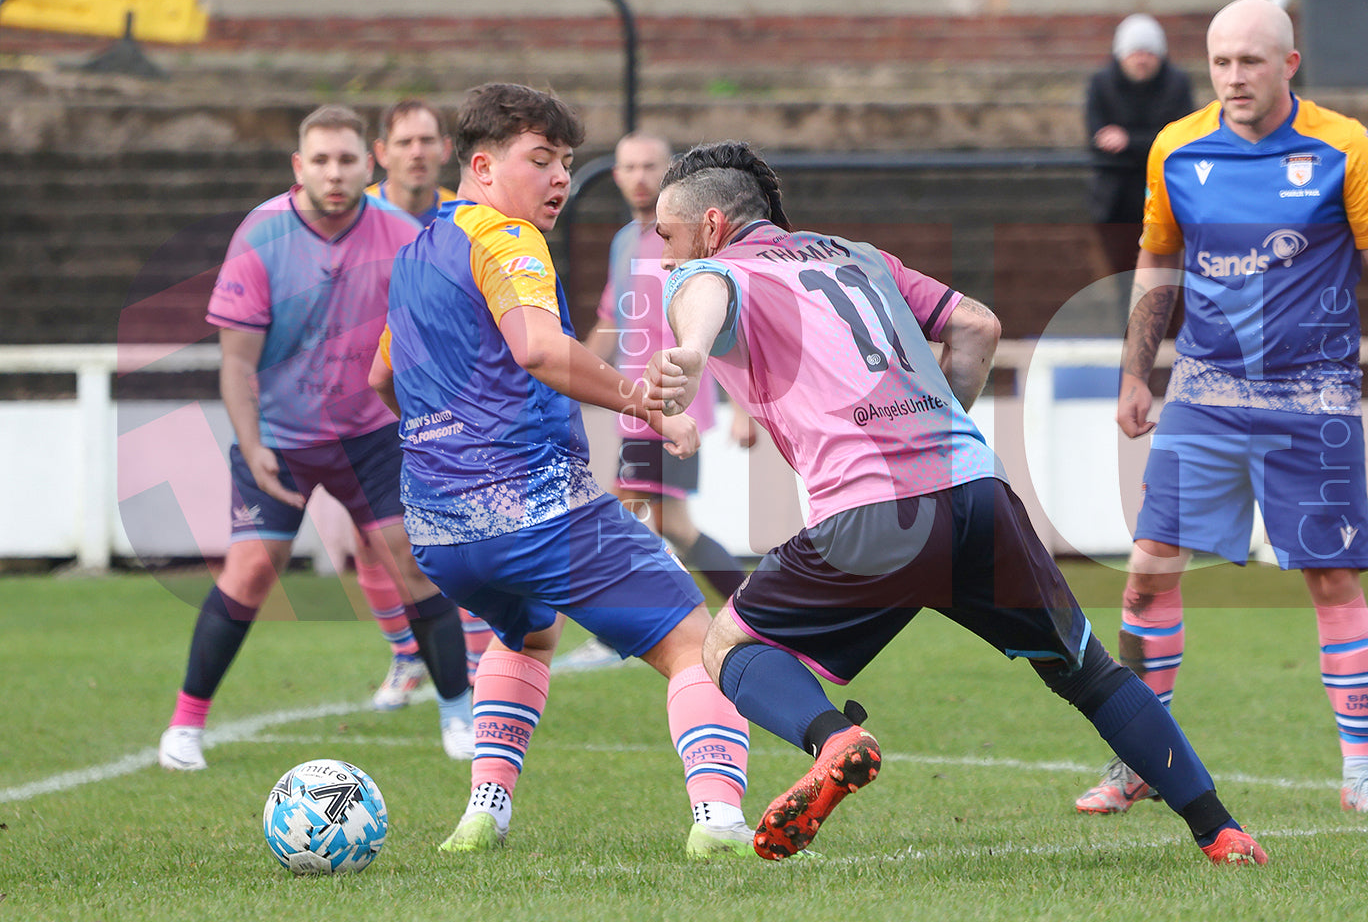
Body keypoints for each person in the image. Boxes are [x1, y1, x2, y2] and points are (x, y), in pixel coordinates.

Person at [645, 141, 1266, 866]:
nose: (664, 256)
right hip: (977, 492)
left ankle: (834, 739)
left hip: (870, 513)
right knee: (1089, 671)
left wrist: (689, 351)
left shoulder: (710, 271)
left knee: (729, 647)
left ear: (713, 225)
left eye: (668, 237)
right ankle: (1221, 830)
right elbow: (978, 325)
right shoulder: (860, 256)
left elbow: (703, 293)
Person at [367, 83, 758, 860]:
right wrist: (645, 403)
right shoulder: (507, 239)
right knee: (699, 642)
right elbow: (539, 350)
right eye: (539, 159)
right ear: (481, 164)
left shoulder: (416, 250)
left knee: (529, 633)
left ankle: (485, 811)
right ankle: (718, 821)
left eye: (566, 163)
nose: (557, 179)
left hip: (440, 528)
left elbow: (381, 380)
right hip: (532, 506)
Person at [1073, 0, 1368, 817]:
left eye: (1251, 61)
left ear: (1289, 65)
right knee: (1148, 570)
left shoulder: (1346, 147)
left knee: (1333, 579)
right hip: (1206, 392)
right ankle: (1139, 761)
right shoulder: (1178, 148)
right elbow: (1157, 263)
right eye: (1222, 61)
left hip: (1315, 395)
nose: (1234, 77)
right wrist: (1135, 373)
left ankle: (1362, 774)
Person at [157, 104, 475, 772]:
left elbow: (431, 346)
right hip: (281, 437)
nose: (335, 172)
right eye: (321, 160)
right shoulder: (261, 234)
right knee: (249, 571)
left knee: (411, 561)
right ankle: (185, 725)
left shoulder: (400, 234)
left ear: (370, 163)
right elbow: (237, 362)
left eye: (347, 159)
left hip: (373, 435)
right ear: (300, 167)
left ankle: (456, 712)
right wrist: (253, 445)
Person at [554, 130, 750, 673]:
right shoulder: (623, 242)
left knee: (631, 521)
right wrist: (566, 372)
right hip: (636, 407)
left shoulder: (693, 239)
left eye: (650, 166)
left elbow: (735, 324)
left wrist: (746, 408)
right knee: (661, 523)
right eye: (629, 166)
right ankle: (754, 617)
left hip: (674, 405)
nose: (639, 176)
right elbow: (612, 323)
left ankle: (623, 632)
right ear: (615, 176)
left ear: (671, 175)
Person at [348, 99, 493, 705]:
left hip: (446, 396)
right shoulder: (355, 215)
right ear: (382, 153)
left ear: (443, 150)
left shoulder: (464, 219)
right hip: (364, 399)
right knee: (370, 538)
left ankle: (481, 666)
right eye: (404, 141)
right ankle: (407, 658)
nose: (416, 152)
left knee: (466, 530)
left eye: (427, 141)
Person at [1085, 14, 1196, 327]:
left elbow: (1179, 140)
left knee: (1167, 277)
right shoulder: (1101, 84)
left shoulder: (1176, 84)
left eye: (1149, 53)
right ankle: (1129, 336)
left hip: (1165, 198)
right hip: (1115, 202)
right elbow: (1097, 137)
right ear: (1121, 55)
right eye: (1135, 53)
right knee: (1124, 280)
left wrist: (1128, 141)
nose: (1142, 60)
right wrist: (1148, 144)